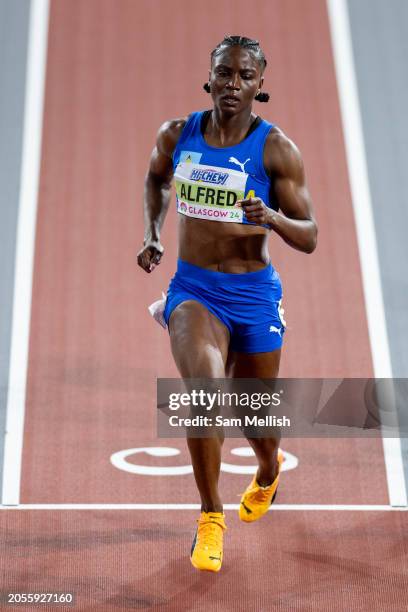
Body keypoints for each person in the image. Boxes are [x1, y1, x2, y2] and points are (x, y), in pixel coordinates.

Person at [138, 35, 317, 573]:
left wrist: (272, 219)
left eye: (245, 76)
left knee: (254, 417)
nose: (233, 84)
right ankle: (210, 518)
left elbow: (309, 236)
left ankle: (267, 470)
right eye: (225, 73)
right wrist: (153, 232)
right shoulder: (179, 134)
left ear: (260, 86)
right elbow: (155, 179)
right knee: (205, 393)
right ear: (209, 78)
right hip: (194, 290)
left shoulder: (276, 149)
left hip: (253, 293)